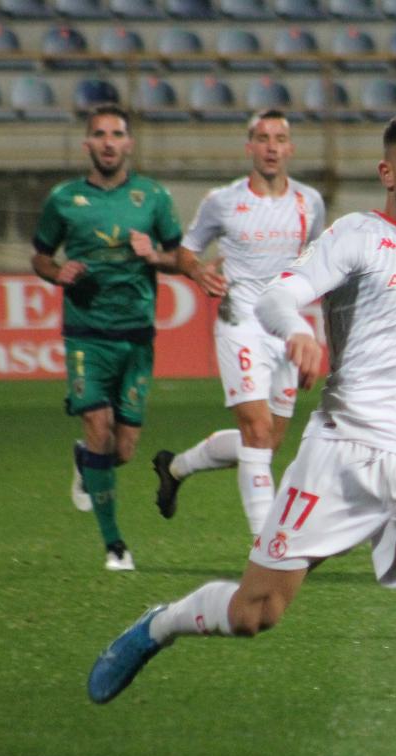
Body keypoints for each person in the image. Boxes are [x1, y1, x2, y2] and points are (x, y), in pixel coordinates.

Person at [87, 110, 396, 756]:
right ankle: (161, 623)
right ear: (388, 172)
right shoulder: (357, 237)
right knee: (255, 613)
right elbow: (280, 295)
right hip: (340, 457)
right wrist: (298, 333)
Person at [151, 109, 327, 535]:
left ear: (290, 148)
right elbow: (185, 251)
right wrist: (196, 271)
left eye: (279, 138)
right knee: (258, 429)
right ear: (250, 147)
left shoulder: (310, 202)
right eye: (263, 138)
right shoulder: (222, 201)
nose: (271, 147)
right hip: (239, 322)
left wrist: (314, 335)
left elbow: (320, 266)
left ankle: (175, 468)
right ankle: (265, 547)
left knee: (266, 443)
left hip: (285, 330)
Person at [31, 103, 183, 571]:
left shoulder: (153, 197)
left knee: (122, 450)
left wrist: (154, 255)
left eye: (117, 133)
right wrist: (59, 273)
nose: (109, 142)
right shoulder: (63, 199)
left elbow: (180, 257)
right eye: (100, 134)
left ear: (129, 143)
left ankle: (86, 462)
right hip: (86, 336)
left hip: (136, 337)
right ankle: (115, 545)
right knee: (99, 428)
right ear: (88, 144)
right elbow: (39, 256)